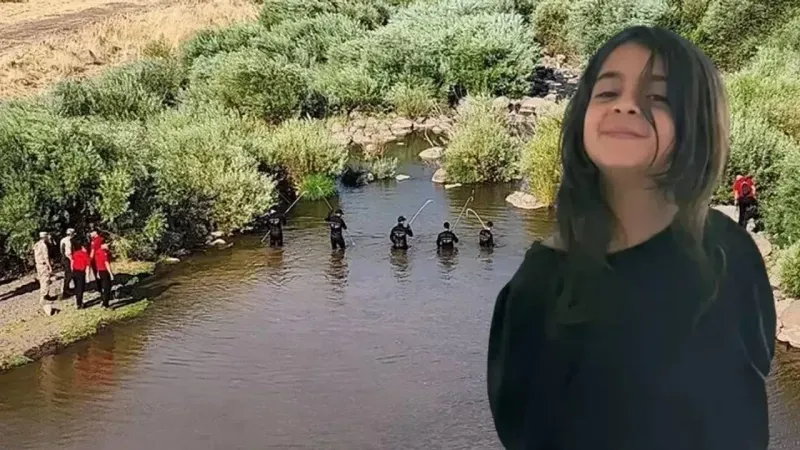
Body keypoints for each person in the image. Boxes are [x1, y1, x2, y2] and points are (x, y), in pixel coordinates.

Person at [487, 26, 775, 450]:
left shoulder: (729, 250)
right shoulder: (539, 288)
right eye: (607, 92)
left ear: (696, 124)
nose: (626, 105)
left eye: (657, 97)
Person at [71, 239, 91, 310]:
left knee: (76, 287)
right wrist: (88, 277)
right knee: (81, 288)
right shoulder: (87, 256)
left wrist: (72, 270)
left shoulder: (76, 253)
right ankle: (79, 303)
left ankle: (77, 301)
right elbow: (88, 267)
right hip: (81, 273)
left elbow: (72, 262)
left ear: (82, 246)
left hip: (75, 271)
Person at [33, 232, 53, 304]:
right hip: (43, 265)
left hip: (38, 264)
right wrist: (50, 266)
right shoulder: (44, 246)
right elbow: (46, 257)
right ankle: (43, 298)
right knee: (45, 281)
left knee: (42, 280)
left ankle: (46, 295)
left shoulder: (37, 244)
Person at [95, 243, 115, 308]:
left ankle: (103, 300)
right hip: (104, 271)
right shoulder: (104, 253)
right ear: (102, 245)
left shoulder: (97, 252)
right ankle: (105, 303)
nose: (108, 246)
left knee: (103, 287)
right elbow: (106, 263)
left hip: (100, 271)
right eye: (107, 245)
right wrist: (111, 273)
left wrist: (97, 272)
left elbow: (97, 263)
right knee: (107, 288)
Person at [59, 228, 75, 299]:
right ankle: (66, 290)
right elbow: (68, 253)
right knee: (69, 274)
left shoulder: (63, 240)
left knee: (67, 274)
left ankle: (67, 288)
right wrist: (72, 261)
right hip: (67, 259)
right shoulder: (68, 241)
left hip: (63, 259)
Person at [89, 228, 104, 293]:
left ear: (95, 232)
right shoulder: (102, 239)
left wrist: (89, 260)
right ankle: (104, 286)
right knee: (102, 272)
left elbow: (92, 251)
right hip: (102, 258)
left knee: (97, 274)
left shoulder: (94, 241)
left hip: (95, 260)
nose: (90, 234)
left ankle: (100, 288)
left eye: (91, 232)